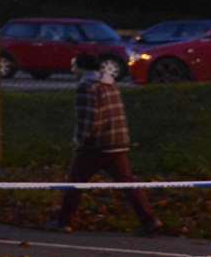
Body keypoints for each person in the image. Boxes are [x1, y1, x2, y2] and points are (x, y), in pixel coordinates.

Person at [46, 52, 161, 234]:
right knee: (128, 183)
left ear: (82, 68)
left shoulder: (86, 87)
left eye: (74, 65)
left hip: (96, 145)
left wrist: (79, 140)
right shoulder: (110, 84)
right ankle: (149, 220)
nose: (72, 69)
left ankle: (63, 221)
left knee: (76, 182)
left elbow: (89, 119)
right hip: (118, 141)